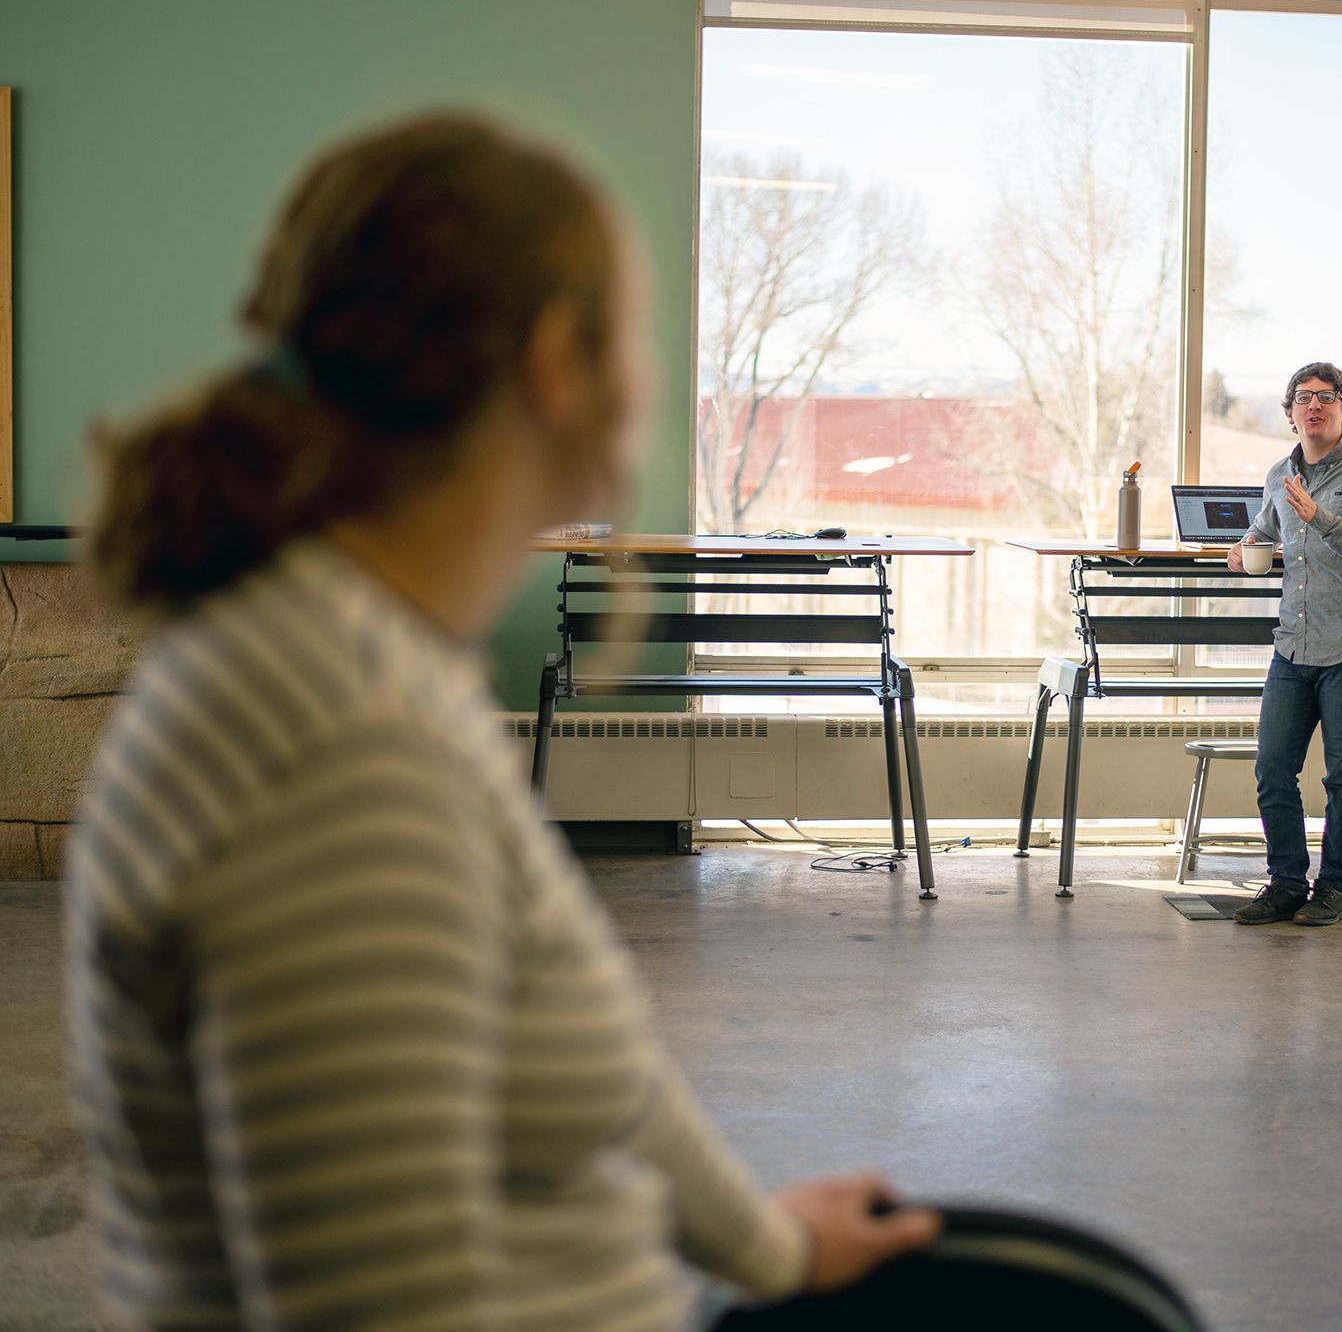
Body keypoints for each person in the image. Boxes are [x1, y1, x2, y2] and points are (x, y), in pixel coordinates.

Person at [66, 112, 936, 1331]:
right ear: (557, 358)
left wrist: (772, 1248)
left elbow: (603, 1081)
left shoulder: (366, 657)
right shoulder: (338, 739)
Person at [1225, 363, 1342, 926]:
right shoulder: (1281, 472)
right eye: (1304, 398)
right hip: (1293, 645)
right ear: (1289, 413)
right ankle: (1284, 883)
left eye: (1327, 398)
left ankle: (1333, 889)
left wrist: (1320, 517)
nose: (1314, 406)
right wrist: (1245, 544)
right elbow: (1266, 527)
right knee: (1273, 767)